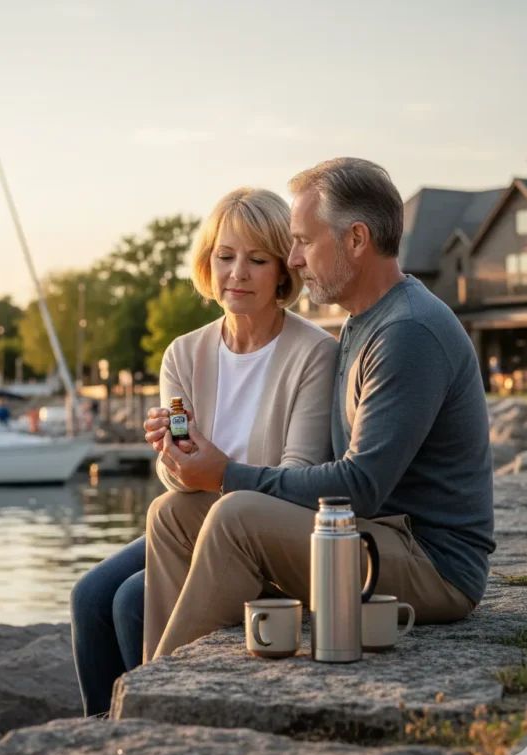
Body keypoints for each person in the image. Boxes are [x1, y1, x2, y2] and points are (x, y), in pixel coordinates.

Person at [147, 158, 495, 661]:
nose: (293, 259)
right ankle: (156, 673)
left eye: (304, 242)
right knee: (171, 513)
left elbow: (360, 486)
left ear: (356, 239)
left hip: (431, 564)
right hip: (373, 536)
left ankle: (169, 686)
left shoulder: (407, 331)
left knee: (236, 514)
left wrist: (225, 474)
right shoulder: (364, 322)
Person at [70, 187, 338, 715]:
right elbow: (176, 480)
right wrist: (170, 453)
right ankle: (105, 736)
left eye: (257, 260)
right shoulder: (184, 353)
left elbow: (299, 477)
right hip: (189, 521)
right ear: (207, 263)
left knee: (131, 601)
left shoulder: (314, 354)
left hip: (260, 534)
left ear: (282, 271)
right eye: (225, 256)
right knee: (89, 597)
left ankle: (150, 722)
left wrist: (214, 471)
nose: (237, 272)